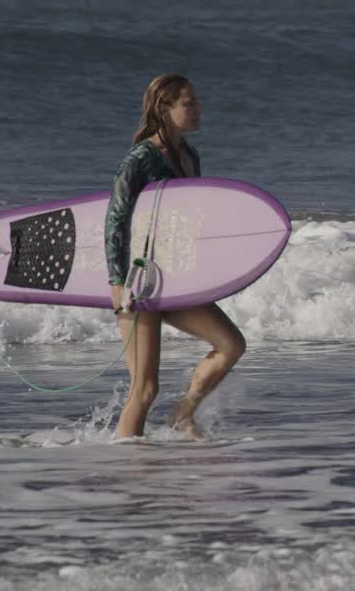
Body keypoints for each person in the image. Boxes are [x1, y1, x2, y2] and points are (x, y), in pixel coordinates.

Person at [103, 73, 246, 440]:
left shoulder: (189, 155)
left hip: (173, 280)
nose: (198, 109)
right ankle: (128, 465)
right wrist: (117, 282)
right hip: (138, 283)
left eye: (196, 101)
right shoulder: (140, 158)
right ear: (164, 109)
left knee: (231, 344)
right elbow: (115, 220)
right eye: (188, 103)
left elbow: (188, 218)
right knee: (144, 389)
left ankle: (182, 415)